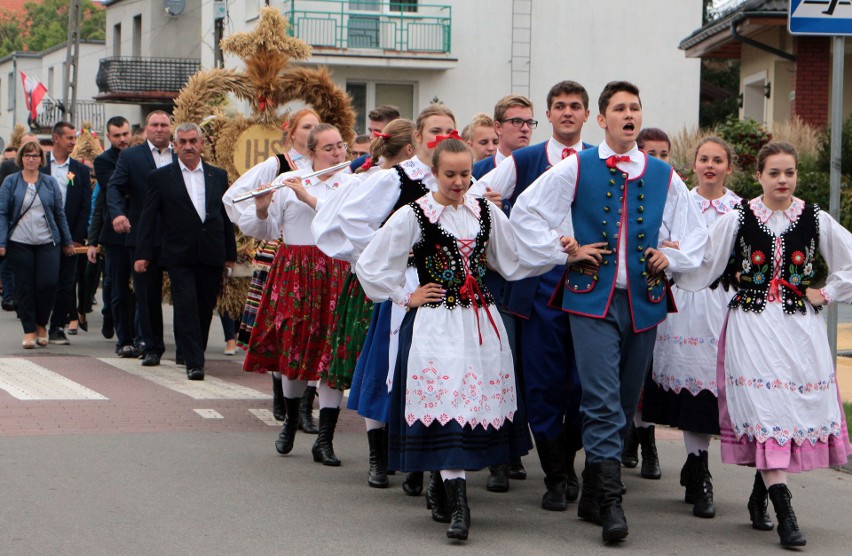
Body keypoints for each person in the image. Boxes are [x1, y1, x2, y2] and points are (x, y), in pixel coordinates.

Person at [511, 81, 708, 543]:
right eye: (619, 108)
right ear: (601, 120)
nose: (628, 115)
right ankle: (611, 503)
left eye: (634, 108)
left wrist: (671, 257)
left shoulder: (662, 174)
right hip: (590, 301)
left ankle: (591, 493)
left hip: (645, 302)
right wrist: (565, 250)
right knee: (600, 400)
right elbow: (525, 212)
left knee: (622, 402)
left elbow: (696, 232)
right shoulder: (578, 165)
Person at [355, 137, 541, 541]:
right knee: (445, 401)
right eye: (450, 174)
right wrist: (406, 295)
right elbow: (370, 265)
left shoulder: (486, 211)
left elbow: (513, 259)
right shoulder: (415, 214)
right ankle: (460, 505)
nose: (459, 182)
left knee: (470, 404)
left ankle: (442, 483)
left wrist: (562, 251)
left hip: (479, 324)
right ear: (434, 173)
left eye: (465, 174)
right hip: (434, 325)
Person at [674, 141, 852, 548]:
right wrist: (670, 265)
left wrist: (826, 292)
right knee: (764, 407)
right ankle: (785, 509)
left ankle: (760, 495)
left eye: (789, 172)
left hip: (798, 330)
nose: (783, 180)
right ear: (759, 176)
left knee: (786, 409)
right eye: (774, 173)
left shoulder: (814, 218)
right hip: (750, 325)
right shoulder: (738, 218)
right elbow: (705, 264)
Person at [472, 80, 593, 502]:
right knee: (542, 384)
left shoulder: (599, 161)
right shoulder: (524, 159)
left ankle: (570, 456)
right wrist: (497, 213)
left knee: (583, 385)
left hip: (590, 285)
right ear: (550, 113)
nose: (567, 113)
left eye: (575, 106)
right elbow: (473, 200)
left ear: (586, 115)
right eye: (559, 105)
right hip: (536, 285)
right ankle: (557, 475)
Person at [341, 104, 455, 496]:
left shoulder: (457, 180)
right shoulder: (398, 177)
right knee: (389, 367)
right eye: (435, 130)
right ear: (418, 139)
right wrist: (388, 254)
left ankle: (416, 463)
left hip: (443, 292)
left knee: (431, 372)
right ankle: (379, 457)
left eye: (450, 131)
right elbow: (353, 218)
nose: (443, 137)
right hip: (402, 287)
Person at [239, 123, 357, 463]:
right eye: (329, 148)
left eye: (340, 146)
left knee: (331, 353)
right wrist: (262, 205)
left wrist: (309, 197)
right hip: (296, 271)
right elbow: (261, 227)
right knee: (294, 348)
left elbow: (347, 223)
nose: (338, 153)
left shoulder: (352, 183)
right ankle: (290, 420)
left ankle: (325, 439)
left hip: (335, 270)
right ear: (311, 152)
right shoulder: (288, 182)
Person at [313, 118, 417, 488]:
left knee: (403, 366)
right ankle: (373, 454)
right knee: (368, 361)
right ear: (411, 145)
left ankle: (399, 454)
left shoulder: (431, 178)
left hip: (413, 282)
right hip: (376, 282)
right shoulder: (379, 179)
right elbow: (343, 221)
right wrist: (377, 253)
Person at [643, 137, 741, 518]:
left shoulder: (740, 209)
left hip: (723, 303)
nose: (711, 165)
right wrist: (667, 247)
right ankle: (699, 469)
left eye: (718, 160)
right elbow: (658, 240)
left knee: (716, 388)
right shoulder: (679, 202)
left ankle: (698, 464)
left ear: (729, 167)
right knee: (691, 389)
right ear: (694, 165)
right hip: (685, 302)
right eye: (704, 159)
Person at [223, 108, 318, 426]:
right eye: (307, 126)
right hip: (282, 253)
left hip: (320, 257)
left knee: (314, 329)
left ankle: (306, 403)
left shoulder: (328, 166)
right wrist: (262, 216)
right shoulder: (277, 164)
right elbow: (236, 197)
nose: (313, 131)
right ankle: (283, 391)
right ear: (292, 132)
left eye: (318, 126)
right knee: (285, 325)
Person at [135, 123, 236, 380]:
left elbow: (225, 218)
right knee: (186, 305)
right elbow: (148, 218)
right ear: (175, 145)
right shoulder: (160, 177)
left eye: (193, 141)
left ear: (201, 144)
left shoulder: (218, 175)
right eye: (183, 141)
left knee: (204, 308)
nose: (188, 146)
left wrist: (229, 254)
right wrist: (142, 254)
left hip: (211, 254)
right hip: (179, 255)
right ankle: (194, 362)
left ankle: (193, 352)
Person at [620, 126, 674, 479]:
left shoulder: (671, 187)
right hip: (632, 289)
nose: (656, 161)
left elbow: (683, 232)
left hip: (665, 291)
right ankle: (627, 438)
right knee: (631, 373)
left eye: (663, 154)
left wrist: (674, 250)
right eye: (649, 154)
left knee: (649, 373)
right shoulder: (629, 184)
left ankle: (648, 441)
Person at [107, 110, 175, 366]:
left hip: (176, 236)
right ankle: (152, 346)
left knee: (185, 292)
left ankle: (189, 348)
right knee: (146, 295)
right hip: (143, 236)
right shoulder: (131, 156)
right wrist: (117, 214)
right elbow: (114, 187)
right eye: (154, 125)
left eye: (164, 125)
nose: (159, 129)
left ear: (171, 128)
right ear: (146, 129)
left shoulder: (181, 155)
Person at [0, 141, 74, 348]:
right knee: (24, 287)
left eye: (35, 156)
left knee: (47, 284)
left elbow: (59, 213)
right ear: (21, 158)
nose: (31, 159)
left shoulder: (49, 183)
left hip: (47, 241)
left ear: (41, 159)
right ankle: (30, 330)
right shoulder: (10, 182)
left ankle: (42, 323)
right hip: (19, 242)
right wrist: (2, 241)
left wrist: (67, 241)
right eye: (27, 155)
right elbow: (3, 212)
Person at [43, 122, 91, 345]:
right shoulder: (40, 165)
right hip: (41, 236)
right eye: (69, 138)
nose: (73, 142)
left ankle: (57, 327)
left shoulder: (79, 170)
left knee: (66, 284)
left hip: (69, 236)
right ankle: (37, 324)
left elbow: (84, 206)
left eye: (74, 138)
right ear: (56, 139)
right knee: (45, 282)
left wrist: (77, 236)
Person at [89, 116, 133, 348]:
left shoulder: (139, 154)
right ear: (109, 137)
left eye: (125, 134)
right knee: (117, 287)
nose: (122, 139)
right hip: (115, 233)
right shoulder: (103, 161)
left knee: (138, 288)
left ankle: (137, 336)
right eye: (117, 136)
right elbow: (116, 187)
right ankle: (123, 338)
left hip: (139, 229)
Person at [0, 132, 39, 312]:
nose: (30, 155)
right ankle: (10, 297)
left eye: (34, 149)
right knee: (8, 263)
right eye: (26, 148)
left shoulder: (42, 172)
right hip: (11, 224)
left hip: (35, 228)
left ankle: (23, 298)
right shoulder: (8, 168)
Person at [472, 95, 534, 179]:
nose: (525, 128)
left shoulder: (540, 169)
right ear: (498, 127)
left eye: (529, 122)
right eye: (517, 121)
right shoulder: (477, 171)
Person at [349, 104, 401, 172]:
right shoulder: (361, 162)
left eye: (377, 132)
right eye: (370, 131)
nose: (371, 137)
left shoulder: (411, 163)